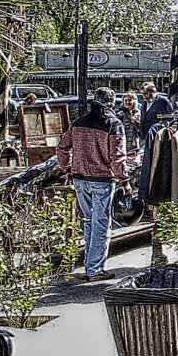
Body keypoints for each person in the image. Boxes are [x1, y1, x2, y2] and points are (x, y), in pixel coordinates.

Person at [57, 87, 126, 281]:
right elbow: (117, 158)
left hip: (79, 178)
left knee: (88, 221)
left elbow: (62, 147)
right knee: (101, 224)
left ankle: (90, 264)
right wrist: (125, 180)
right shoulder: (114, 124)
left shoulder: (79, 123)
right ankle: (95, 269)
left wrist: (68, 167)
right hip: (102, 180)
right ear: (112, 103)